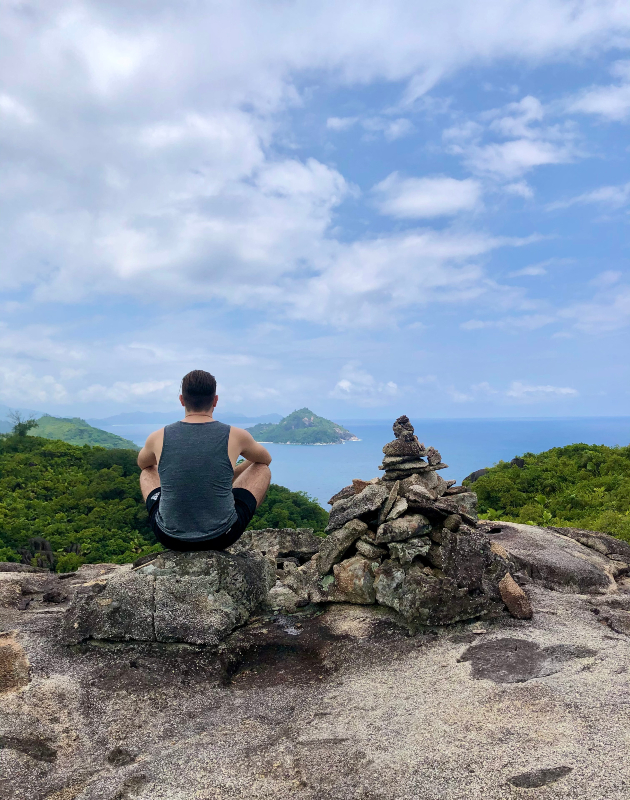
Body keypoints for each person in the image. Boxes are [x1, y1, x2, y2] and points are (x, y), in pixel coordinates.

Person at [137, 369, 272, 551]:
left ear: (182, 400)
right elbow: (265, 459)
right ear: (215, 400)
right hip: (222, 536)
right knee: (262, 469)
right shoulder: (236, 435)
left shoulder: (158, 437)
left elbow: (143, 464)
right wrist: (227, 471)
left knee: (147, 471)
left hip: (169, 537)